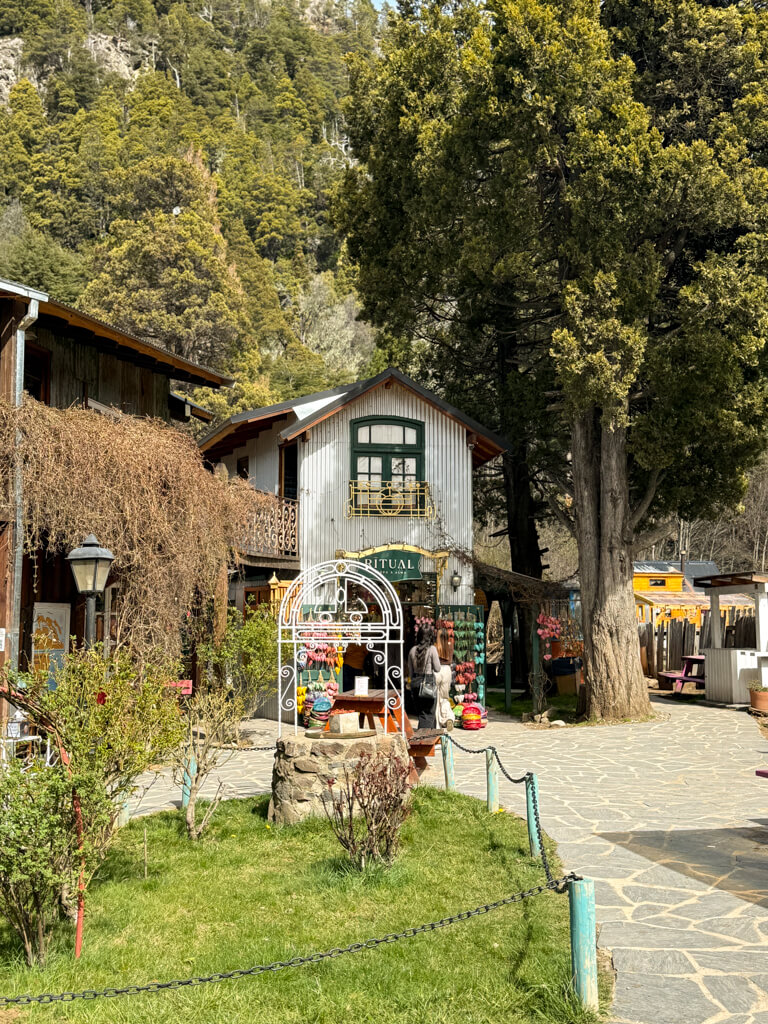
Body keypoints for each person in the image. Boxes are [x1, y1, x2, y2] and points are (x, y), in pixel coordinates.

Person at [407, 625, 441, 730]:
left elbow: (410, 672)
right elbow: (437, 668)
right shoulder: (432, 649)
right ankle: (424, 736)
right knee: (429, 713)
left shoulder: (412, 650)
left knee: (422, 712)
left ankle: (431, 735)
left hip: (415, 683)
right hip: (428, 682)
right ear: (430, 636)